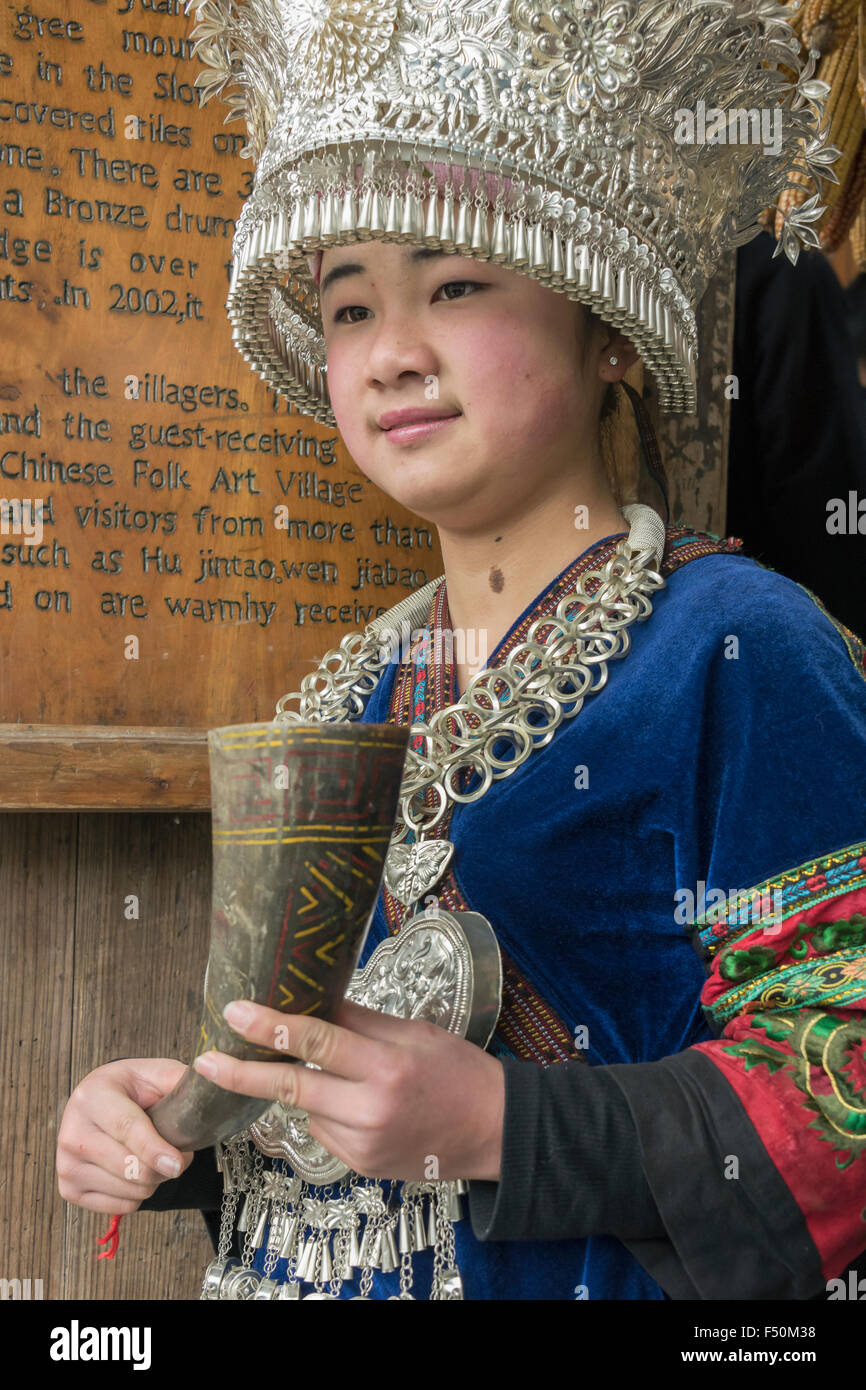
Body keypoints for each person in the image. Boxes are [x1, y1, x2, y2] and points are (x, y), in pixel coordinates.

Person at [56, 1, 866, 1300]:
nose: (391, 355)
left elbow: (846, 1087)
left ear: (604, 326)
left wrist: (505, 1125)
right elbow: (325, 1095)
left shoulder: (739, 649)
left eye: (454, 284)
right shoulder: (353, 688)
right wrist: (185, 1130)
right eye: (347, 308)